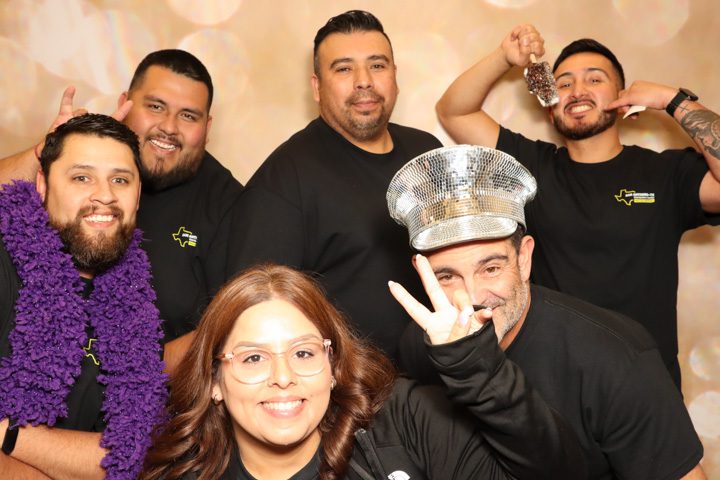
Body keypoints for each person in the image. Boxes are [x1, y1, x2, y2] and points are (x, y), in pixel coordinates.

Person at [386, 145, 706, 480]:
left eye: (491, 269)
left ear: (524, 259)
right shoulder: (420, 346)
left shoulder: (615, 360)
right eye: (447, 277)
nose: (473, 298)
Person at [435, 25, 720, 387]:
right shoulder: (532, 167)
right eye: (564, 83)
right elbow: (455, 112)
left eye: (594, 79)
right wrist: (504, 57)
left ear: (623, 100)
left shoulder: (666, 173)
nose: (578, 90)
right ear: (551, 108)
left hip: (646, 385)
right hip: (553, 386)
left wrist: (671, 100)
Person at [140, 263, 585, 480]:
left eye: (304, 352)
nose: (283, 377)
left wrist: (477, 368)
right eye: (253, 357)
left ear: (333, 367)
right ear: (215, 381)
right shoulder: (177, 474)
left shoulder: (406, 423)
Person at [226, 10, 442, 360]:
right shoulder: (284, 178)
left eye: (377, 65)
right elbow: (255, 311)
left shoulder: (427, 152)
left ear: (394, 76)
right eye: (343, 69)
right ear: (317, 87)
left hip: (442, 368)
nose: (364, 81)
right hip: (352, 384)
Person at [0, 49, 244, 355]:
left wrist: (143, 371)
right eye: (155, 106)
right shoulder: (79, 153)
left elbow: (235, 328)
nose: (169, 127)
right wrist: (44, 151)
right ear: (125, 105)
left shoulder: (230, 205)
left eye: (188, 116)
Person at [0, 114, 166, 479]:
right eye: (81, 177)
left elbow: (126, 455)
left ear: (138, 195)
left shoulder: (139, 309)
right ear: (42, 185)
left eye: (120, 180)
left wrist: (9, 435)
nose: (104, 195)